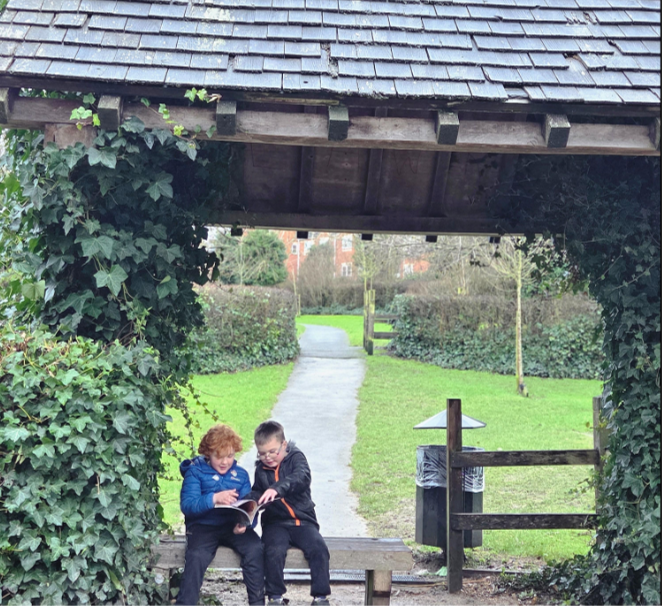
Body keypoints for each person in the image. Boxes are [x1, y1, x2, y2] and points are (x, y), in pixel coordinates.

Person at [176, 424, 265, 606]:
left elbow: (249, 506)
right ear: (208, 453)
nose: (225, 462)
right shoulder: (195, 471)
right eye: (219, 456)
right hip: (203, 526)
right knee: (197, 557)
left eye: (230, 456)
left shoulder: (240, 475)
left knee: (255, 548)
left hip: (232, 525)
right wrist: (214, 498)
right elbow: (188, 505)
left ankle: (257, 603)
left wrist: (245, 523)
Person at [249, 420, 331, 606]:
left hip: (303, 520)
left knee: (318, 549)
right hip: (275, 523)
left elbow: (301, 477)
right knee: (273, 551)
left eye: (272, 451)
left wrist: (277, 489)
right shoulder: (261, 469)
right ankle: (275, 597)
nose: (268, 457)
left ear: (283, 445)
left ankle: (320, 597)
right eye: (262, 453)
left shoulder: (296, 458)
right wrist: (248, 502)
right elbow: (258, 490)